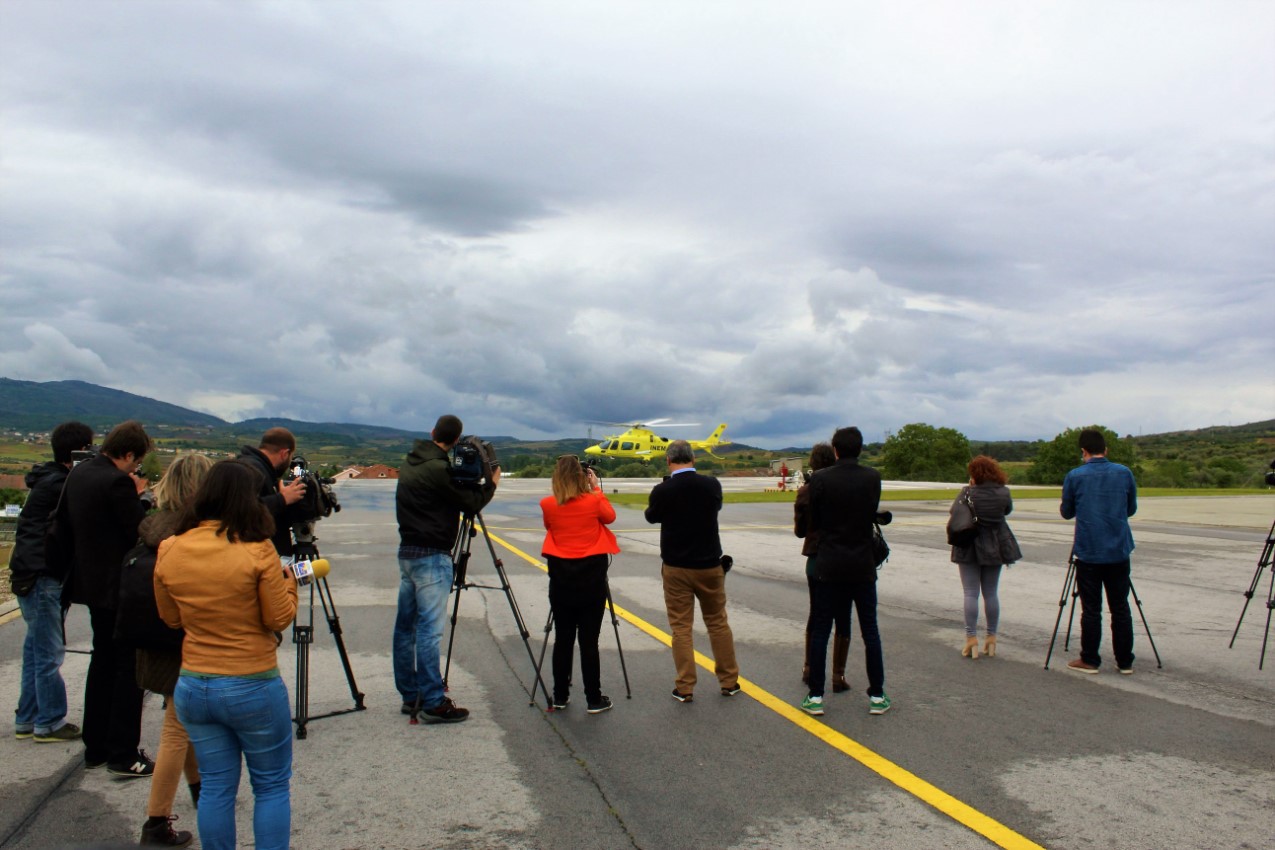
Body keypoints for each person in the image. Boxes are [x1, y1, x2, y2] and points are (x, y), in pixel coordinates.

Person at [154, 459, 299, 850]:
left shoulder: (171, 547)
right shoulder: (257, 549)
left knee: (216, 786)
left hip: (194, 682)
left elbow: (169, 617)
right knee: (270, 786)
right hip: (251, 681)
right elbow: (279, 618)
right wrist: (291, 587)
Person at [119, 454, 214, 847]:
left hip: (151, 645)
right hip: (184, 643)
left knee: (181, 719)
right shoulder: (193, 537)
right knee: (176, 728)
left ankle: (199, 790)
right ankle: (155, 824)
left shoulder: (150, 530)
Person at [57, 420, 156, 776]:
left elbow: (61, 526)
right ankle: (123, 752)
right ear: (128, 454)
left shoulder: (79, 475)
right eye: (136, 461)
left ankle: (95, 747)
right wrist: (139, 495)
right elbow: (140, 531)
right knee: (128, 669)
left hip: (89, 584)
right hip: (119, 588)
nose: (135, 468)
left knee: (101, 664)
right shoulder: (117, 482)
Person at [394, 414, 499, 722]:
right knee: (429, 631)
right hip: (432, 555)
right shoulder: (440, 470)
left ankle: (410, 694)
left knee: (405, 629)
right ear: (456, 440)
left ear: (433, 433)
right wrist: (491, 483)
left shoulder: (410, 463)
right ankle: (433, 701)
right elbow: (470, 502)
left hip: (408, 552)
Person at [11, 420, 94, 744]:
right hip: (44, 574)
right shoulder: (62, 485)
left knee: (35, 650)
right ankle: (50, 722)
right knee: (49, 652)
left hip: (28, 571)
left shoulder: (46, 480)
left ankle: (28, 717)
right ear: (80, 451)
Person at [803, 426, 889, 716]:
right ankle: (877, 695)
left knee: (821, 630)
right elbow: (870, 511)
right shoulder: (872, 478)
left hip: (829, 562)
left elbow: (813, 521)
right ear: (860, 449)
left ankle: (815, 695)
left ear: (836, 450)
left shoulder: (821, 479)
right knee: (870, 630)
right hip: (862, 564)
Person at [644, 440, 739, 703]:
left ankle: (685, 686)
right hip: (709, 565)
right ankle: (729, 681)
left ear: (668, 460)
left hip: (676, 567)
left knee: (681, 628)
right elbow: (715, 507)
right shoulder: (712, 485)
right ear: (693, 459)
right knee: (718, 623)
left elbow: (651, 516)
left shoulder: (663, 490)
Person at [540, 456, 620, 714]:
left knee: (563, 638)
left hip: (561, 580)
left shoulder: (548, 504)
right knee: (589, 641)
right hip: (591, 580)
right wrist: (595, 487)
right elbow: (609, 518)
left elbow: (550, 526)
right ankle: (593, 698)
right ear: (581, 476)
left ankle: (560, 695)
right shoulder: (594, 500)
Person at [1061, 429, 1138, 675]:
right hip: (1118, 550)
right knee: (1120, 607)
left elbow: (1067, 512)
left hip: (1089, 551)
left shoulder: (1075, 476)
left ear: (1083, 451)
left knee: (1091, 608)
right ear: (1106, 449)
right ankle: (1125, 660)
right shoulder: (1124, 472)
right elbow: (1131, 508)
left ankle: (1090, 659)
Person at [948, 456, 1022, 660]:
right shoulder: (1004, 492)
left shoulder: (967, 492)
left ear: (975, 474)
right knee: (991, 592)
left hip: (970, 543)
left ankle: (971, 638)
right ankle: (991, 637)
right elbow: (1007, 511)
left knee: (970, 592)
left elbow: (954, 511)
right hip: (995, 544)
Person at [794, 443, 849, 690]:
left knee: (816, 615)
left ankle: (809, 667)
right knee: (843, 617)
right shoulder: (845, 488)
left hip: (816, 557)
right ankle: (838, 675)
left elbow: (799, 531)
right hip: (844, 558)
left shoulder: (806, 491)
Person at [236, 428, 307, 562]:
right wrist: (282, 499)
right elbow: (243, 510)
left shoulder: (255, 467)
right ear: (284, 453)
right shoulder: (253, 470)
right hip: (256, 557)